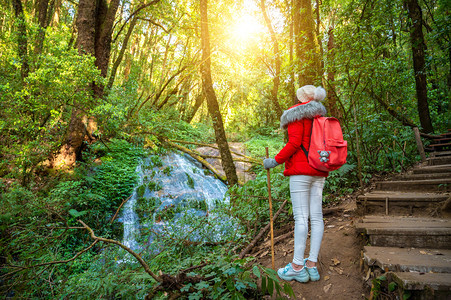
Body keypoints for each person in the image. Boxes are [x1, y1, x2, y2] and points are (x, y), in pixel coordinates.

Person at [263, 85, 328, 283]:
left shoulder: (296, 115)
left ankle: (297, 266)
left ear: (301, 97)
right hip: (319, 169)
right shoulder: (321, 117)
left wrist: (274, 161)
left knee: (301, 218)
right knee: (316, 217)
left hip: (301, 171)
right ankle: (312, 266)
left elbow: (293, 144)